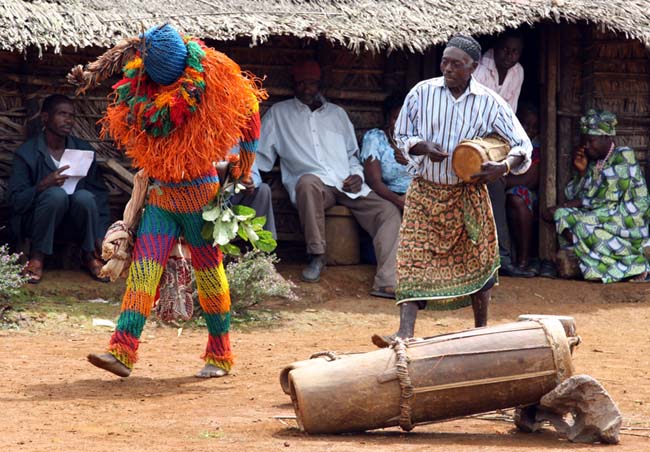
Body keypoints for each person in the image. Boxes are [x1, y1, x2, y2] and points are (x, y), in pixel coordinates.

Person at [71, 24, 266, 378]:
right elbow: (116, 62)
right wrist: (89, 75)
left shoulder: (213, 75)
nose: (162, 87)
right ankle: (123, 350)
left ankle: (220, 353)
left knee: (209, 274)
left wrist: (245, 165)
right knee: (144, 272)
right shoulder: (141, 81)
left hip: (202, 199)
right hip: (161, 197)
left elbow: (250, 109)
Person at [372, 35, 532, 346]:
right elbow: (402, 134)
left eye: (456, 64)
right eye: (445, 61)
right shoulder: (422, 92)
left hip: (467, 193)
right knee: (411, 256)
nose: (447, 68)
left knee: (480, 258)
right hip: (425, 191)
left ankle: (480, 330)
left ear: (473, 67)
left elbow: (521, 144)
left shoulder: (489, 102)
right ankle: (404, 332)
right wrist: (421, 146)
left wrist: (504, 167)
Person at [257, 60, 401, 298]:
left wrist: (356, 174)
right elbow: (259, 157)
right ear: (294, 84)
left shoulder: (338, 115)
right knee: (306, 182)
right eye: (301, 83)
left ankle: (387, 280)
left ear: (320, 84)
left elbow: (352, 156)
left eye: (311, 83)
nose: (306, 88)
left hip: (347, 184)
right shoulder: (278, 115)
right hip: (315, 187)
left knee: (387, 211)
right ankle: (317, 255)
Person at [8, 94, 110, 284]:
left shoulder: (82, 151)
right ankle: (37, 258)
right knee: (55, 195)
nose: (68, 120)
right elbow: (15, 201)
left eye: (72, 116)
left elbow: (99, 196)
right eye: (62, 114)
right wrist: (41, 186)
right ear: (45, 118)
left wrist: (100, 235)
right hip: (37, 225)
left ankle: (88, 256)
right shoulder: (27, 153)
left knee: (85, 197)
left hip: (73, 227)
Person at [544, 109, 650, 283]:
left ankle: (636, 264)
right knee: (562, 216)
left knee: (581, 225)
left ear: (606, 137)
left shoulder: (623, 156)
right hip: (604, 215)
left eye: (590, 140)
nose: (586, 145)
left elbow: (606, 199)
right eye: (584, 140)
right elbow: (582, 195)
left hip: (627, 219)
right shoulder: (595, 163)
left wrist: (564, 205)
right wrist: (582, 172)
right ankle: (601, 259)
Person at [504, 103, 541, 276]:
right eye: (526, 125)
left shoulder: (537, 147)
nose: (530, 130)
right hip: (508, 188)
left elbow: (530, 180)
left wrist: (502, 180)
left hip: (526, 192)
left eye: (534, 127)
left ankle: (523, 259)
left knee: (517, 198)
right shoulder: (506, 142)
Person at [360, 92, 412, 212]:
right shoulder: (375, 138)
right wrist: (399, 201)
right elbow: (374, 182)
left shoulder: (422, 142)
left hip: (419, 196)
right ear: (387, 118)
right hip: (389, 197)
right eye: (396, 118)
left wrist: (413, 162)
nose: (401, 125)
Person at [228, 147, 277, 239]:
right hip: (208, 194)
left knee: (263, 190)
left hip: (236, 194)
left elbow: (255, 176)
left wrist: (248, 181)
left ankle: (261, 246)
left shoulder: (236, 137)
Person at [473, 32, 525, 113]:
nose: (509, 55)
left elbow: (510, 111)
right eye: (505, 49)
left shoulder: (518, 71)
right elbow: (472, 108)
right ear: (496, 47)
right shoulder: (479, 69)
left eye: (515, 52)